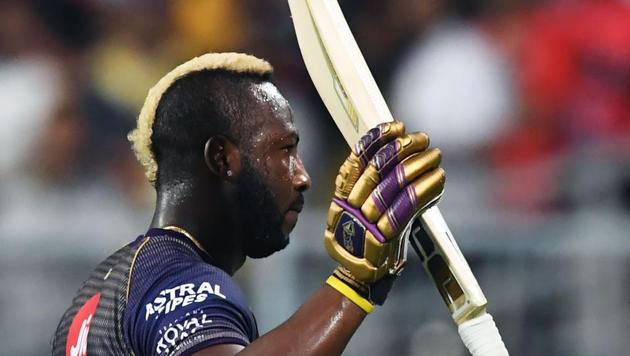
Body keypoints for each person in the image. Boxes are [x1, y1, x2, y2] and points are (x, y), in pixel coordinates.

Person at [52, 52, 445, 356]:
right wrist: (355, 284)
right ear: (222, 159)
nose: (302, 176)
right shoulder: (180, 279)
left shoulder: (106, 284)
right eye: (285, 150)